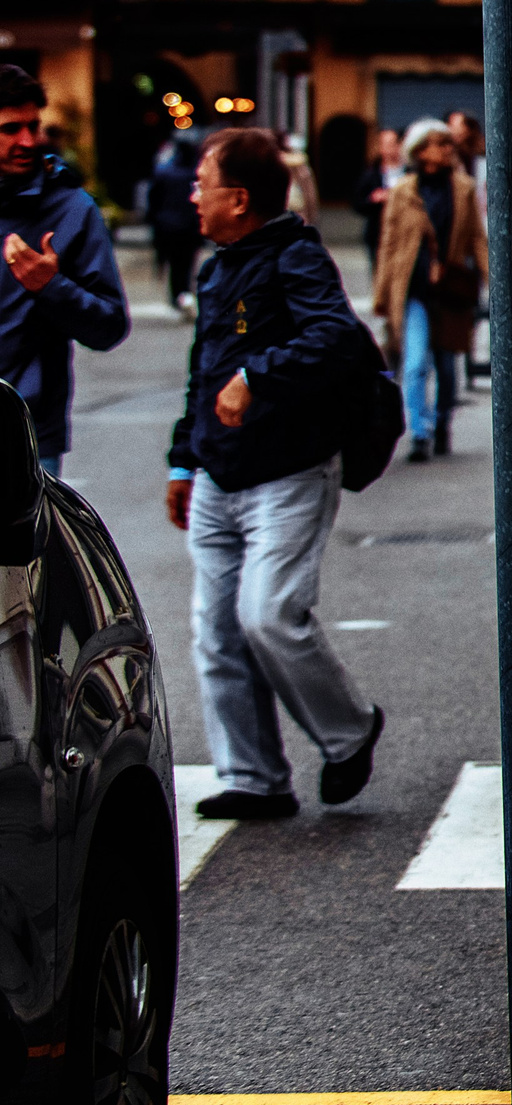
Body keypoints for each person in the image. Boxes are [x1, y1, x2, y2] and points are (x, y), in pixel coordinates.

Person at [166, 127, 386, 822]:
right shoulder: (217, 267)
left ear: (238, 198)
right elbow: (203, 372)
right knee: (217, 633)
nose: (192, 194)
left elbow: (337, 336)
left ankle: (349, 730)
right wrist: (183, 456)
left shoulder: (296, 256)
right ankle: (255, 777)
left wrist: (255, 379)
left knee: (268, 616)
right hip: (217, 476)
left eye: (202, 182)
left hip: (288, 474)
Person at [0, 64, 129, 478]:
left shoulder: (71, 209)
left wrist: (51, 287)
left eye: (32, 126)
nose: (27, 140)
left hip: (25, 436)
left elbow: (110, 327)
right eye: (9, 129)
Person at [371, 119, 486, 462]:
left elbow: (477, 236)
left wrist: (492, 276)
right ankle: (419, 432)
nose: (448, 149)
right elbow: (388, 244)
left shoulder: (463, 188)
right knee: (416, 361)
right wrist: (382, 295)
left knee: (447, 366)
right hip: (414, 288)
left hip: (450, 289)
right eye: (440, 143)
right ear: (421, 151)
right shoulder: (403, 190)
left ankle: (441, 424)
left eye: (450, 143)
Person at [146, 136, 204, 311]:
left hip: (168, 225)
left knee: (173, 262)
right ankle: (183, 292)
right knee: (186, 262)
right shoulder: (195, 172)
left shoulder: (164, 171)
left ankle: (176, 294)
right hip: (189, 225)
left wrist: (154, 220)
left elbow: (153, 198)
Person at [357, 126, 403, 269]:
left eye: (390, 144)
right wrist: (373, 199)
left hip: (402, 233)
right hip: (378, 234)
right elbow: (357, 202)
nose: (387, 149)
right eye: (383, 144)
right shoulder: (372, 173)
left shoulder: (410, 172)